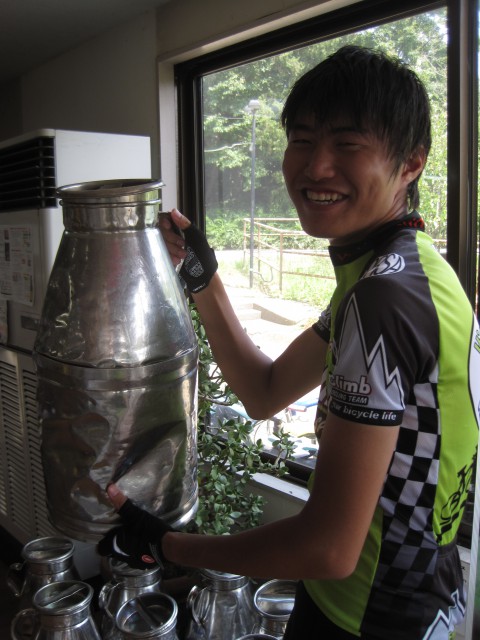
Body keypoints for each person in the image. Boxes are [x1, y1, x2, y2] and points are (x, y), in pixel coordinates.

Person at [98, 45, 480, 639]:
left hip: (371, 618)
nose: (316, 166)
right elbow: (265, 391)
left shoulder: (383, 299)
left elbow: (327, 548)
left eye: (347, 144)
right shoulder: (403, 272)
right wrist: (202, 276)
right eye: (302, 140)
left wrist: (168, 543)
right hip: (398, 600)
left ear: (411, 163)